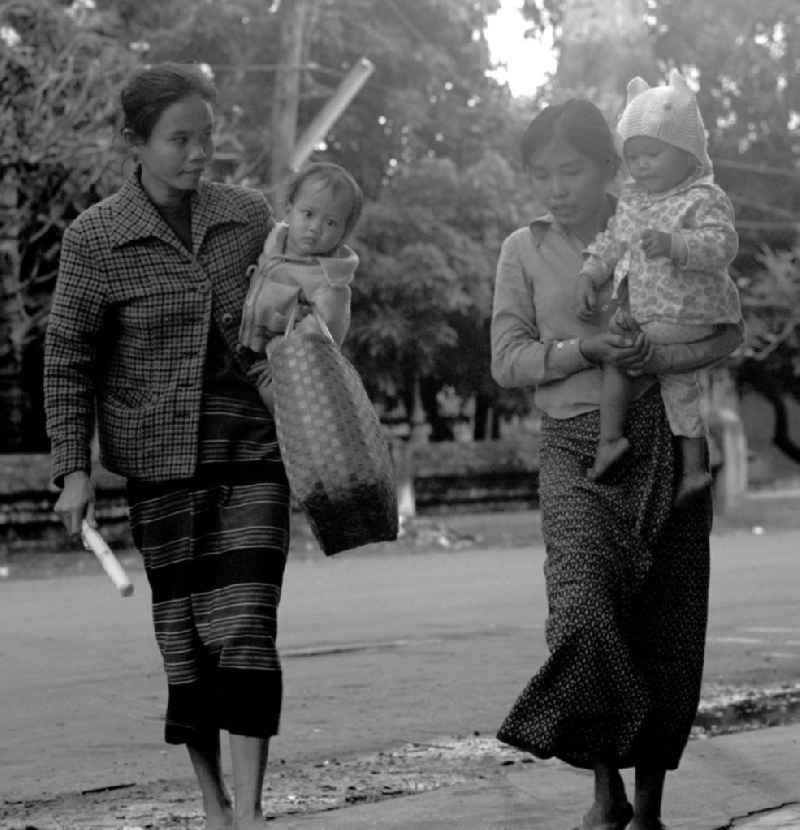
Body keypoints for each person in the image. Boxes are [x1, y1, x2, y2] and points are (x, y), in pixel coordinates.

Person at [44, 63, 287, 830]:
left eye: (206, 137)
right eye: (179, 139)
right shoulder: (97, 238)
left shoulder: (248, 216)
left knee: (245, 624)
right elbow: (68, 356)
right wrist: (72, 470)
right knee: (187, 642)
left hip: (252, 453)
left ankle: (249, 813)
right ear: (135, 142)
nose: (197, 154)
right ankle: (213, 804)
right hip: (159, 468)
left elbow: (300, 295)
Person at [490, 98, 742, 830]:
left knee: (667, 623)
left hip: (668, 434)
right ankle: (604, 785)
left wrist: (662, 354)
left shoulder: (665, 219)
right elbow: (507, 360)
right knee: (583, 610)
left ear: (611, 165)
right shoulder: (522, 249)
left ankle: (648, 808)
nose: (557, 187)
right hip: (576, 446)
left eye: (571, 171)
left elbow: (727, 329)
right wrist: (584, 351)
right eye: (543, 175)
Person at [575, 70, 742, 504]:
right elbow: (612, 242)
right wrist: (591, 273)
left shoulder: (703, 196)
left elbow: (723, 245)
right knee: (679, 387)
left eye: (653, 154)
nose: (641, 166)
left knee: (619, 357)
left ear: (688, 153)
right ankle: (694, 470)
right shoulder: (636, 202)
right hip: (655, 315)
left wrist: (676, 244)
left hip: (687, 313)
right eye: (633, 157)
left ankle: (610, 440)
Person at [239, 162, 362, 412]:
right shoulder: (273, 240)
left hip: (292, 364)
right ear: (288, 210)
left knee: (274, 397)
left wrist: (282, 363)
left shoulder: (329, 282)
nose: (315, 227)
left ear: (343, 232)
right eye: (308, 214)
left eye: (331, 223)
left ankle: (290, 445)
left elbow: (323, 336)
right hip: (248, 344)